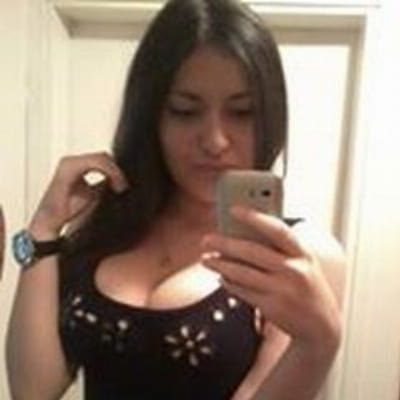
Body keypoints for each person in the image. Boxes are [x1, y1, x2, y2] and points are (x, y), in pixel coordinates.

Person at [6, 0, 345, 399]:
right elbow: (32, 390)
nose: (215, 141)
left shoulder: (299, 255)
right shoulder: (106, 221)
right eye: (185, 111)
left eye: (242, 112)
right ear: (151, 116)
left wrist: (319, 343)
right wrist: (44, 229)